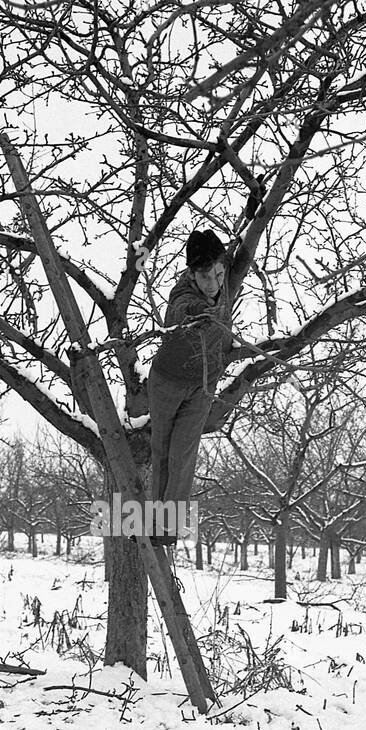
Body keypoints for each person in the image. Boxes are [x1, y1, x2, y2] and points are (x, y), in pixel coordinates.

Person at [147, 229, 234, 545]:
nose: (214, 283)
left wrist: (254, 211)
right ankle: (147, 523)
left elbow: (235, 251)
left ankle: (167, 528)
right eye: (205, 277)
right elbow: (178, 312)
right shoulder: (183, 296)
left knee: (183, 456)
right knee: (163, 453)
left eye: (218, 274)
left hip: (202, 386)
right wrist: (200, 313)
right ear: (192, 274)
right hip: (167, 383)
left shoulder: (223, 279)